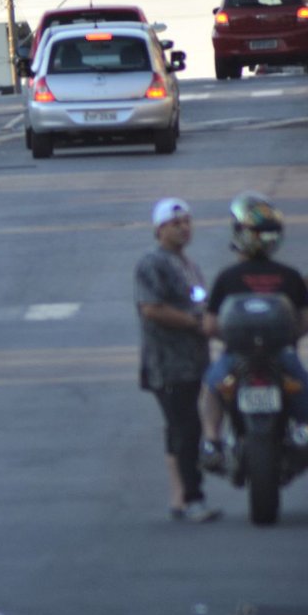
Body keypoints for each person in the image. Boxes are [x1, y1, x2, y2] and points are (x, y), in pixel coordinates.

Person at [199, 193, 308, 472]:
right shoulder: (290, 276)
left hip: (236, 358)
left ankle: (212, 440)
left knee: (211, 389)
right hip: (283, 358)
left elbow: (209, 326)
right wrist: (287, 337)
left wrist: (234, 339)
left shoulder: (228, 277)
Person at [135, 198, 219, 523]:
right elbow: (151, 309)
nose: (183, 228)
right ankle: (195, 498)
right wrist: (194, 323)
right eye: (175, 224)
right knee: (187, 428)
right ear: (159, 230)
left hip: (194, 362)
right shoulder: (152, 263)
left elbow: (202, 305)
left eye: (187, 222)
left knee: (179, 429)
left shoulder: (188, 264)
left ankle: (180, 497)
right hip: (168, 364)